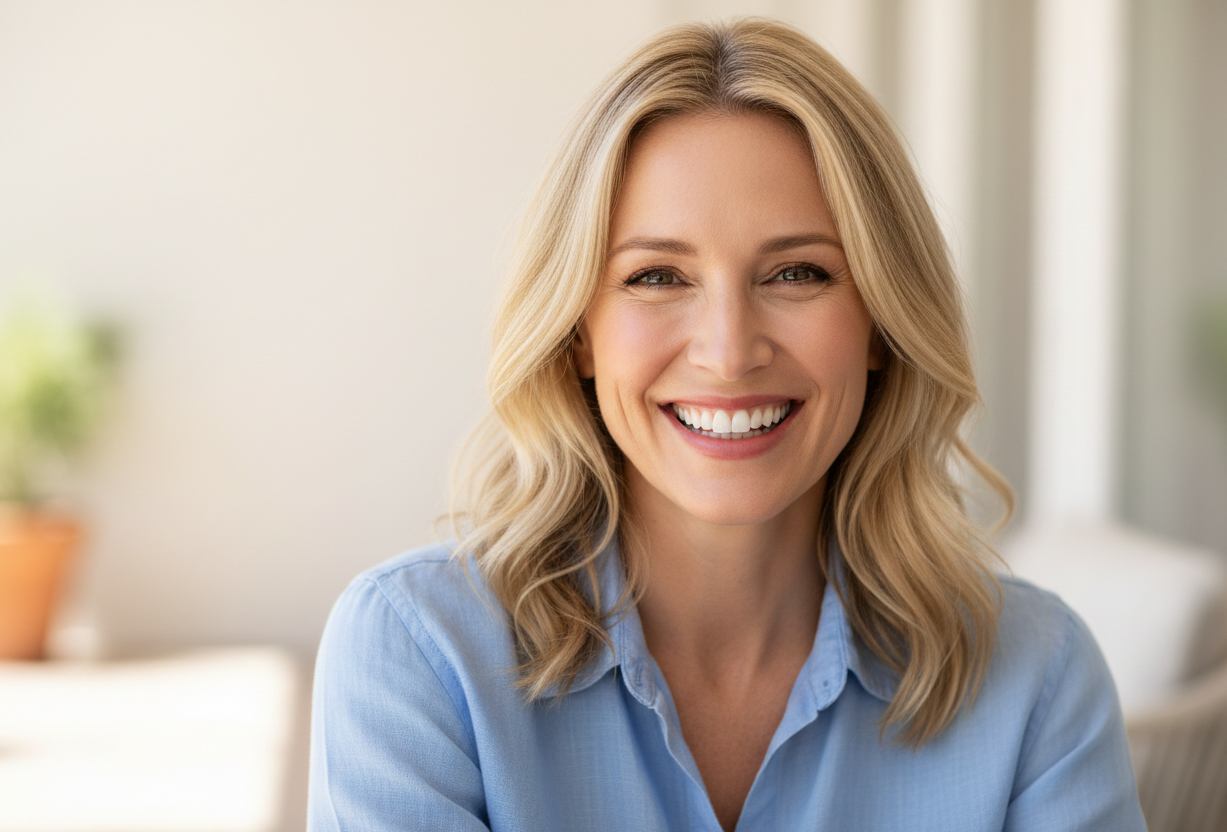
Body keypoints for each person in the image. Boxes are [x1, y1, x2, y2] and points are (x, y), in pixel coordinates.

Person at [308, 18, 1146, 832]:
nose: (728, 351)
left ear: (883, 326)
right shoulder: (418, 654)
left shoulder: (1037, 677)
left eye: (796, 272)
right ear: (577, 336)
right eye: (658, 276)